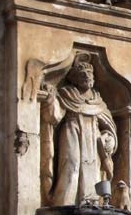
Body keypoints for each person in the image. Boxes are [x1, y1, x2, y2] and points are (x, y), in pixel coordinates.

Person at [41, 57, 117, 206]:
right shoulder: (66, 94)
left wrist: (109, 139)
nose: (87, 77)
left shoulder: (98, 101)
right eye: (83, 75)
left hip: (93, 138)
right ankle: (65, 202)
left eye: (90, 74)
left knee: (93, 170)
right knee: (70, 164)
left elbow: (110, 127)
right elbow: (53, 116)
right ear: (75, 79)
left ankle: (91, 202)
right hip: (71, 131)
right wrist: (50, 99)